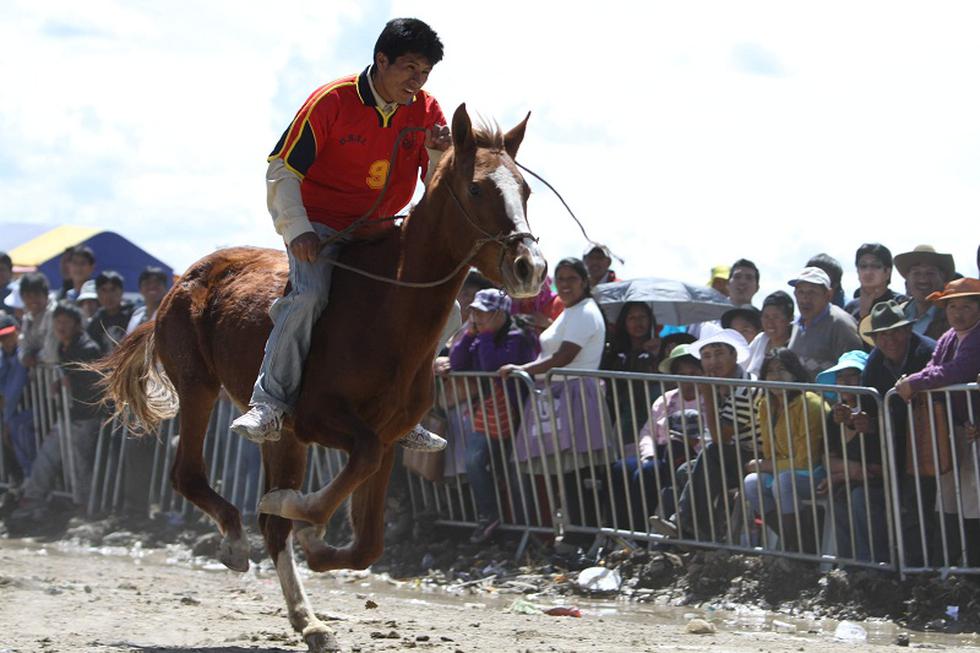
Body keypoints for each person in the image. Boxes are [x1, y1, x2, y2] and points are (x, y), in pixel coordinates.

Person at [231, 18, 451, 451]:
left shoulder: (427, 110)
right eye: (409, 68)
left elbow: (437, 191)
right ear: (381, 59)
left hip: (384, 231)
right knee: (309, 297)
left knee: (450, 313)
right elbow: (282, 169)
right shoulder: (331, 101)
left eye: (424, 73)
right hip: (324, 231)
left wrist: (439, 152)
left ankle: (403, 413)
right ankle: (269, 403)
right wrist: (298, 231)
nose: (417, 81)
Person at [896, 277, 980, 567]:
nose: (958, 313)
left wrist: (915, 382)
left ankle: (971, 569)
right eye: (952, 306)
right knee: (947, 496)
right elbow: (934, 366)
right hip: (949, 427)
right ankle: (949, 564)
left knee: (971, 496)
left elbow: (959, 370)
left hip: (972, 428)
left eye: (967, 306)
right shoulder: (948, 337)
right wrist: (917, 380)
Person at [650, 329, 762, 542]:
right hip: (733, 455)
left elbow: (721, 440)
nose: (713, 362)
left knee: (711, 453)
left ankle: (683, 522)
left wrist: (708, 395)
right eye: (707, 356)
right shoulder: (722, 385)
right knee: (685, 470)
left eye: (719, 354)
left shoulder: (744, 388)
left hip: (756, 457)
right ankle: (703, 534)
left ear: (734, 356)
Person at [449, 289, 536, 543]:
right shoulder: (480, 335)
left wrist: (484, 335)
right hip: (489, 410)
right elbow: (457, 363)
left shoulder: (517, 337)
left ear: (500, 314)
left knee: (495, 464)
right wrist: (470, 334)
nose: (476, 317)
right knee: (479, 461)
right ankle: (492, 517)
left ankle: (515, 523)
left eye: (483, 312)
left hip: (515, 411)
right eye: (474, 311)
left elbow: (491, 366)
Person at [857, 300, 937, 565]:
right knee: (900, 506)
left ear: (907, 330)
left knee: (922, 506)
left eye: (894, 332)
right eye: (882, 334)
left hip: (931, 443)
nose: (889, 340)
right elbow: (869, 406)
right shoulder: (875, 361)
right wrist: (863, 421)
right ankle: (900, 567)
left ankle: (922, 569)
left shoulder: (927, 352)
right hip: (895, 446)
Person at [9, 303, 103, 524]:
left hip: (85, 416)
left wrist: (67, 382)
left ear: (77, 325)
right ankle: (33, 498)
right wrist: (61, 381)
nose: (61, 327)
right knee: (49, 453)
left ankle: (86, 507)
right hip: (69, 415)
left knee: (81, 462)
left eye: (66, 322)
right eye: (58, 322)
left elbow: (92, 383)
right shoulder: (64, 347)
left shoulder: (87, 348)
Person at [610, 344, 704, 532]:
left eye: (693, 372)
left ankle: (643, 531)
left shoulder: (708, 398)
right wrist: (649, 455)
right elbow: (647, 432)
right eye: (682, 374)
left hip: (690, 454)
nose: (687, 379)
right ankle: (621, 529)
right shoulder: (665, 399)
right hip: (660, 453)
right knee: (619, 469)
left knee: (645, 474)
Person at [742, 348, 828, 553]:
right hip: (783, 471)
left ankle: (799, 549)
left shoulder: (810, 403)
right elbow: (771, 452)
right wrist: (766, 465)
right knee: (752, 483)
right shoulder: (765, 405)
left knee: (783, 482)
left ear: (794, 372)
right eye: (770, 371)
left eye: (781, 369)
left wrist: (764, 465)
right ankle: (796, 541)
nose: (775, 376)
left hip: (815, 473)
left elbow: (805, 461)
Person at [815, 350, 889, 563]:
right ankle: (848, 566)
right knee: (837, 495)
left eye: (852, 375)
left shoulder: (877, 410)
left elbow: (877, 468)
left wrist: (841, 474)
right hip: (852, 481)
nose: (845, 381)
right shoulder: (834, 415)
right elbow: (828, 460)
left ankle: (873, 564)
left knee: (859, 498)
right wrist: (846, 473)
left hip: (879, 484)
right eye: (841, 376)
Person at [787, 266, 863, 377]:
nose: (805, 299)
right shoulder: (797, 324)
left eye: (812, 292)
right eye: (800, 292)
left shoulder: (841, 324)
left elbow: (853, 372)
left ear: (828, 295)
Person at [601, 301, 661, 442]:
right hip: (625, 420)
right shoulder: (615, 353)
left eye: (642, 317)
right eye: (632, 318)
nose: (638, 322)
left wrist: (656, 355)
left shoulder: (662, 347)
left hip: (653, 418)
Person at [894, 244, 955, 341]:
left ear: (943, 279)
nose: (923, 280)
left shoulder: (953, 316)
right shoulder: (897, 314)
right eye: (916, 273)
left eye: (930, 273)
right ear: (907, 280)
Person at [0, 313, 35, 479]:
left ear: (18, 331)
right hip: (11, 413)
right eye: (2, 337)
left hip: (30, 410)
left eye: (9, 335)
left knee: (18, 432)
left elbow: (12, 393)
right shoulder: (3, 356)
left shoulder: (21, 355)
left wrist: (6, 421)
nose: (6, 340)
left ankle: (30, 483)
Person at [844, 243, 907, 323]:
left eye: (875, 266)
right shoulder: (850, 308)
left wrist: (865, 315)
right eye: (863, 266)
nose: (868, 272)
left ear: (888, 272)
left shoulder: (900, 303)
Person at [746, 291, 794, 376]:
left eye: (776, 317)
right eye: (766, 317)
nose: (770, 323)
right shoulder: (760, 339)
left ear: (790, 319)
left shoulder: (796, 343)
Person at [17, 272, 59, 368]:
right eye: (28, 296)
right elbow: (23, 347)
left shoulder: (55, 314)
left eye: (36, 295)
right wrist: (25, 356)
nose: (32, 300)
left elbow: (52, 353)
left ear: (46, 294)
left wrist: (35, 358)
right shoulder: (27, 318)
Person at [87, 271, 134, 354]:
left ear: (121, 291)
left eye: (113, 289)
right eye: (103, 290)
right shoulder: (96, 321)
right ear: (97, 293)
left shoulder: (134, 317)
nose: (108, 295)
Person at [126, 267, 169, 334]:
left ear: (165, 288)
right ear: (140, 289)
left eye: (157, 282)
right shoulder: (137, 314)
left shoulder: (169, 315)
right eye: (147, 283)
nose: (152, 286)